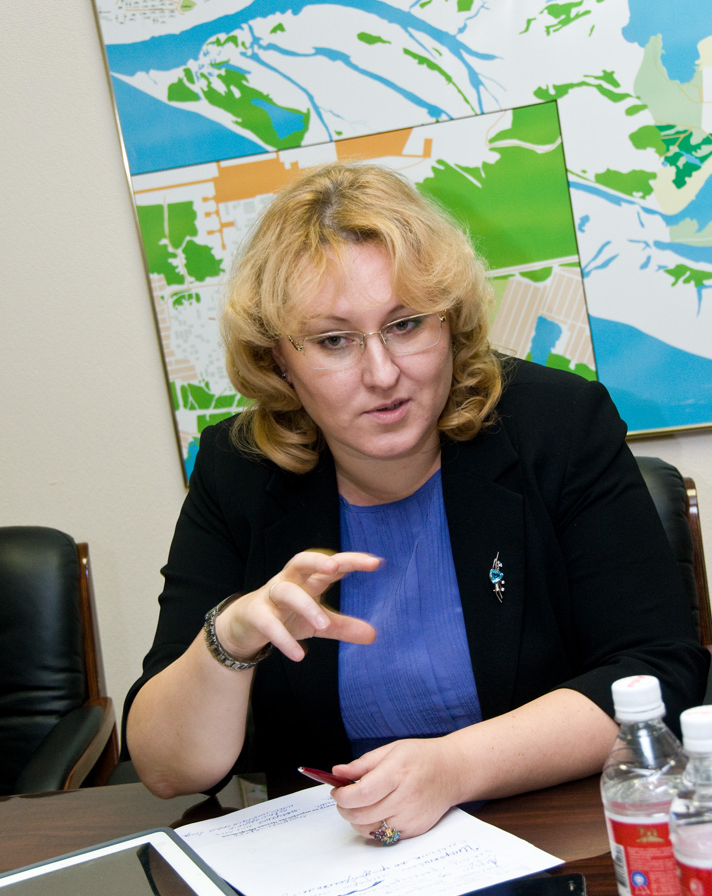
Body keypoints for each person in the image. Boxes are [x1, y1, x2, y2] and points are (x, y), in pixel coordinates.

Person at [124, 161, 709, 844]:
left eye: (405, 325)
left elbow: (658, 671)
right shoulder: (239, 469)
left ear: (450, 323)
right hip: (337, 862)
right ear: (279, 359)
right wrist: (229, 641)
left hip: (549, 839)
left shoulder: (557, 425)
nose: (382, 373)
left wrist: (454, 767)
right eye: (333, 340)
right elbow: (167, 770)